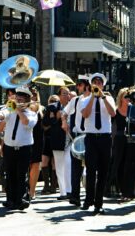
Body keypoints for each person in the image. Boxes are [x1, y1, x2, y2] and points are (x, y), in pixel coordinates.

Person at [0, 87, 37, 210]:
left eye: (20, 98)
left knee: (21, 174)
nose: (17, 100)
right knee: (10, 174)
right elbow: (3, 115)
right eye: (17, 98)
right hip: (9, 147)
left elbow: (26, 122)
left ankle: (21, 199)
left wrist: (18, 110)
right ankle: (10, 199)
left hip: (24, 148)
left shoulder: (32, 114)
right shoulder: (9, 110)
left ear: (27, 100)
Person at [80, 73, 116, 214]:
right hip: (91, 138)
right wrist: (93, 98)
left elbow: (113, 113)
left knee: (103, 171)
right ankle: (88, 199)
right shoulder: (85, 99)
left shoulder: (109, 98)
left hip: (105, 138)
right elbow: (85, 114)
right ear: (91, 85)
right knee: (90, 171)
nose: (97, 84)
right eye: (95, 82)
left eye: (99, 82)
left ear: (103, 85)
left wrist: (102, 97)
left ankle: (98, 203)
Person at [61, 75, 91, 207]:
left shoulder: (95, 99)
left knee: (91, 168)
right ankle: (75, 196)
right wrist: (64, 122)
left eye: (79, 85)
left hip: (91, 135)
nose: (77, 87)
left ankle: (90, 196)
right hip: (78, 135)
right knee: (75, 168)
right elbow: (64, 112)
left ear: (86, 85)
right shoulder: (76, 100)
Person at [42, 87, 71, 200]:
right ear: (59, 95)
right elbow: (45, 123)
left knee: (68, 165)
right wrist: (56, 118)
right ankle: (63, 192)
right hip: (58, 140)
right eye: (64, 94)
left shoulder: (73, 106)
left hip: (70, 140)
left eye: (68, 94)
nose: (66, 96)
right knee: (59, 166)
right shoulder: (52, 107)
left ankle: (70, 190)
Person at [28, 87, 44, 200]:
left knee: (35, 165)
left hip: (38, 139)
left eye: (34, 93)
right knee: (25, 165)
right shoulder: (23, 108)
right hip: (26, 139)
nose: (33, 95)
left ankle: (32, 191)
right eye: (30, 94)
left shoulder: (41, 109)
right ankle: (24, 189)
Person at [41, 95, 59, 195]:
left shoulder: (59, 111)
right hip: (47, 140)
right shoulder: (46, 111)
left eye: (55, 101)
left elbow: (56, 124)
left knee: (54, 163)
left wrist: (53, 119)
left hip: (55, 139)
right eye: (51, 101)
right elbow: (44, 126)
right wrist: (50, 116)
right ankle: (46, 185)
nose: (53, 103)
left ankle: (53, 186)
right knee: (44, 162)